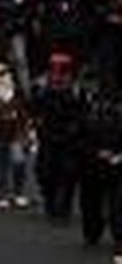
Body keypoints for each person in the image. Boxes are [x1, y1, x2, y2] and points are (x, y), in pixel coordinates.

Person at [32, 52, 85, 222]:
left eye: (62, 69)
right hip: (47, 135)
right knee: (46, 172)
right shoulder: (41, 86)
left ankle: (64, 208)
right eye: (54, 68)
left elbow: (83, 113)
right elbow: (33, 108)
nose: (58, 73)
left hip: (70, 137)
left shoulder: (77, 88)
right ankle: (50, 203)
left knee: (68, 173)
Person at [79, 76, 122, 260]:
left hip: (118, 161)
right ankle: (93, 231)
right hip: (92, 161)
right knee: (91, 201)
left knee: (118, 203)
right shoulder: (87, 110)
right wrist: (96, 152)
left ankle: (119, 236)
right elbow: (79, 136)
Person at [0, 60, 32, 209]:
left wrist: (27, 131)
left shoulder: (17, 91)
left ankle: (18, 193)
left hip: (16, 131)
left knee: (19, 162)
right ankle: (2, 194)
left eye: (2, 74)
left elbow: (25, 111)